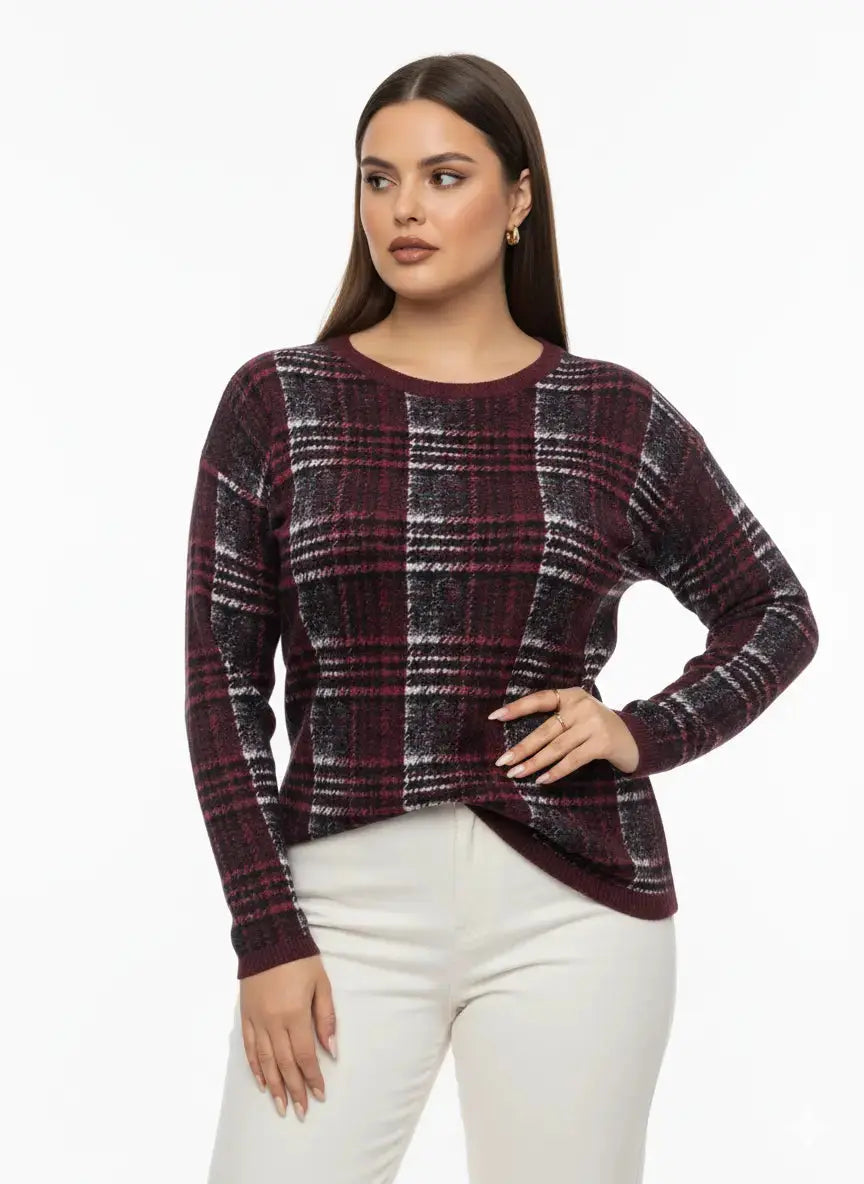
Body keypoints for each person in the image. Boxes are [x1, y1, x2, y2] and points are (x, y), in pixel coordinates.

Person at [184, 53, 819, 1184]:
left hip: (575, 907)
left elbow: (775, 608)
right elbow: (222, 686)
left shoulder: (611, 414)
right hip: (339, 910)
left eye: (444, 176)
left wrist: (640, 729)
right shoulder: (277, 402)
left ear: (519, 198)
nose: (405, 209)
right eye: (379, 179)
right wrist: (265, 929)